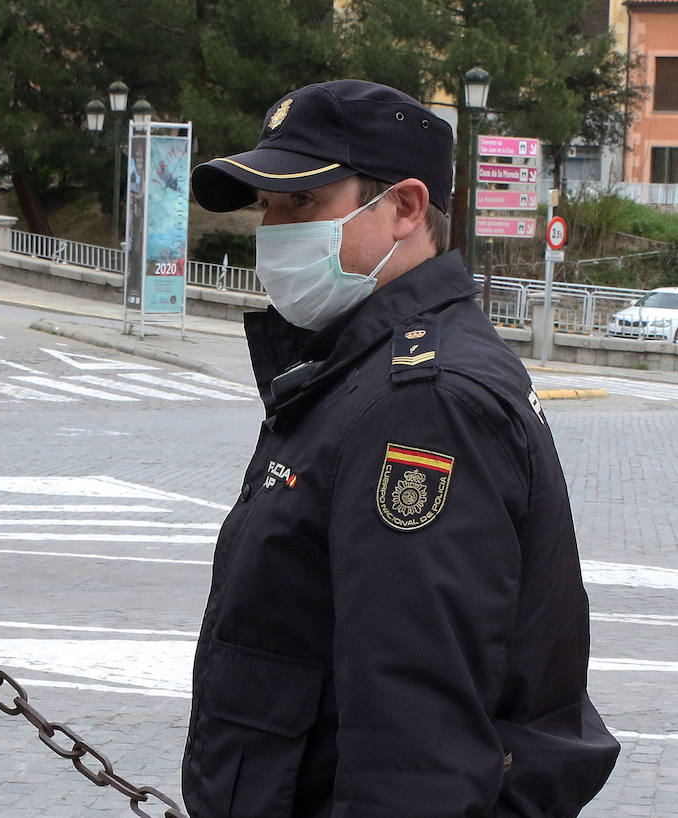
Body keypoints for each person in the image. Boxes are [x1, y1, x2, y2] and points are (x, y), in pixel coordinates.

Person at [183, 79, 619, 816]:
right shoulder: (360, 370)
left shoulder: (422, 403)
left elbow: (415, 742)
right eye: (267, 206)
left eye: (302, 204)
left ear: (406, 209)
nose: (272, 228)